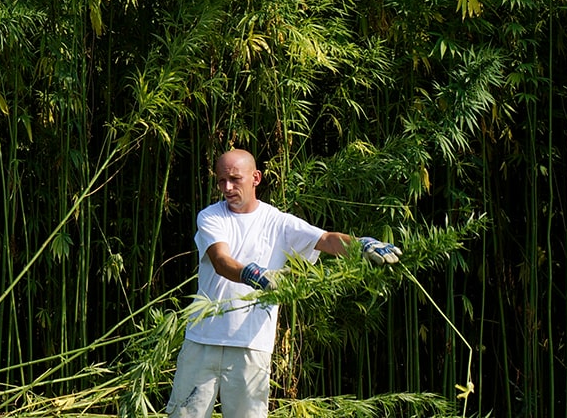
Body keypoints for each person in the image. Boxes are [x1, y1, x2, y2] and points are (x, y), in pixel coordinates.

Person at [161, 148, 401, 418]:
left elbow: (326, 239)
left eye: (234, 179)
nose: (227, 187)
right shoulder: (211, 216)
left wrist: (361, 245)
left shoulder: (278, 222)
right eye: (221, 181)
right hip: (202, 341)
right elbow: (220, 260)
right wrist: (256, 275)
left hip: (251, 346)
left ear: (256, 178)